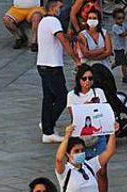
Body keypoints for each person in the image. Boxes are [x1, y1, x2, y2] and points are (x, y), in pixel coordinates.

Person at [66, 66, 118, 192]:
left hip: (97, 134)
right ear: (79, 80)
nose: (87, 82)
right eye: (84, 79)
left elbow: (103, 111)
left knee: (102, 170)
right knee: (79, 170)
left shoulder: (99, 93)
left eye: (90, 78)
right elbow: (74, 115)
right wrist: (87, 107)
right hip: (80, 138)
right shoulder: (72, 96)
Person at [37, 0, 80, 144]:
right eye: (60, 7)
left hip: (43, 64)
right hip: (52, 66)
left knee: (48, 98)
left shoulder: (44, 21)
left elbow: (60, 36)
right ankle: (48, 125)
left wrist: (74, 38)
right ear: (53, 7)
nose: (61, 10)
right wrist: (76, 59)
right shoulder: (53, 21)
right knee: (62, 98)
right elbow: (63, 40)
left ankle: (47, 128)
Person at [109, 8, 127, 83]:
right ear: (115, 18)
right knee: (122, 63)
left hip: (122, 47)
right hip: (118, 48)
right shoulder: (115, 27)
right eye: (119, 18)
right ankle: (124, 76)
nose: (121, 20)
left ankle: (112, 68)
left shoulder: (123, 25)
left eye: (122, 18)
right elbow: (122, 34)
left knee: (121, 62)